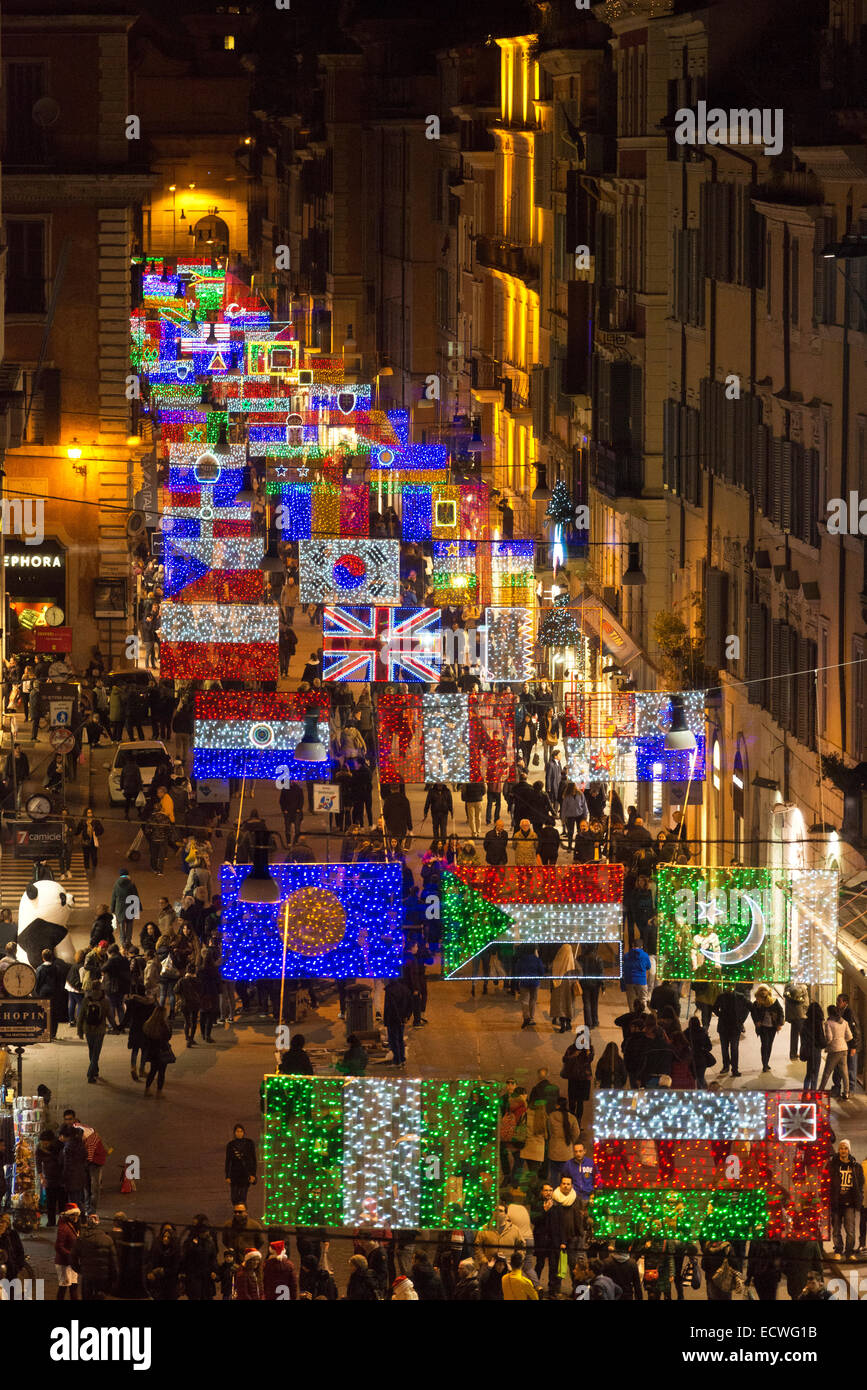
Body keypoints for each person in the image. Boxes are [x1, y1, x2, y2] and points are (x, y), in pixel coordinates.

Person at [830, 1140, 863, 1257]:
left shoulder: (856, 1167)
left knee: (850, 1230)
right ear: (838, 1150)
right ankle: (838, 1250)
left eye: (845, 1148)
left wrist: (859, 1200)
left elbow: (860, 1184)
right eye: (841, 1148)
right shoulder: (833, 1166)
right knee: (836, 1229)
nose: (843, 1151)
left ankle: (849, 1252)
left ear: (849, 1150)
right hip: (836, 1202)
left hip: (850, 1203)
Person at [74, 1213, 119, 1300]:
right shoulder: (107, 1239)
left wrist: (80, 1269)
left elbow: (72, 1258)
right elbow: (113, 1261)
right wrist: (114, 1277)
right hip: (102, 1276)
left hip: (87, 1276)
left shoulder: (81, 1239)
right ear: (98, 1223)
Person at [77, 971, 109, 1083]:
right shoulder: (105, 1001)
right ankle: (90, 1073)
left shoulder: (86, 1000)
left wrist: (79, 1030)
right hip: (100, 1030)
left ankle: (95, 1070)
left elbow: (80, 1016)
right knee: (96, 1052)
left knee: (92, 1050)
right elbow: (109, 1016)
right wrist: (116, 1027)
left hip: (88, 1029)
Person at [712, 987, 751, 1077]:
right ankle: (726, 1066)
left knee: (734, 1048)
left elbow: (749, 1007)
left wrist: (741, 1020)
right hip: (724, 1026)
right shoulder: (721, 996)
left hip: (734, 1027)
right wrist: (721, 1015)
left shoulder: (740, 996)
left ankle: (734, 1069)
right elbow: (714, 1008)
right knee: (725, 1048)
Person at [819, 1005, 853, 1099]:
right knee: (844, 1072)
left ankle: (820, 1091)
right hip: (844, 1048)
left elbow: (829, 1038)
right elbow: (849, 1036)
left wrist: (826, 1044)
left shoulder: (828, 1023)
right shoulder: (844, 1022)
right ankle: (846, 1093)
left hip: (834, 1050)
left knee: (827, 1072)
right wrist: (841, 1040)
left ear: (829, 1012)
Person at [34, 948, 68, 1040]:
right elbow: (60, 982)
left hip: (43, 993)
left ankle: (45, 1033)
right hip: (55, 993)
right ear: (52, 957)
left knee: (44, 1014)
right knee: (54, 1014)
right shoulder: (57, 968)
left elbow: (37, 982)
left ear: (43, 958)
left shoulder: (39, 969)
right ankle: (53, 1034)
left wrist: (37, 992)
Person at [750, 985, 784, 1073]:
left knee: (769, 1045)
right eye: (761, 990)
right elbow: (753, 1013)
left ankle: (766, 1062)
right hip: (763, 1027)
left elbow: (781, 1011)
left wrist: (780, 1023)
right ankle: (764, 1064)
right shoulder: (756, 1003)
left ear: (768, 991)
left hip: (772, 1027)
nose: (763, 992)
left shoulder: (774, 1001)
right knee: (764, 1045)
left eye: (764, 990)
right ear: (758, 992)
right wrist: (757, 1021)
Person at [141, 1002, 173, 1095]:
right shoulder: (164, 1026)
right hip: (162, 1050)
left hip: (152, 1051)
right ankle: (159, 1092)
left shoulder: (148, 1024)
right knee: (162, 1072)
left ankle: (147, 1089)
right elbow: (168, 1037)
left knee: (153, 1071)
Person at [833, 993, 861, 1099]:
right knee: (839, 1068)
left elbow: (856, 1031)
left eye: (839, 1001)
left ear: (845, 1002)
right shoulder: (839, 1012)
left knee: (851, 1068)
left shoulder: (850, 1013)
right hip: (842, 1046)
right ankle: (837, 1087)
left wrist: (854, 1047)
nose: (837, 1003)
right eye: (837, 1000)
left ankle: (851, 1089)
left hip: (851, 1046)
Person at [36, 1130, 64, 1227]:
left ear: (51, 1141)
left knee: (62, 1202)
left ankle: (62, 1221)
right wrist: (42, 1178)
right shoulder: (39, 1149)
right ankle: (51, 1221)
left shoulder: (58, 1147)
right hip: (49, 1178)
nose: (44, 1144)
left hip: (61, 1178)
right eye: (43, 1142)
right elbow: (38, 1163)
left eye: (46, 1142)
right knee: (50, 1202)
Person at [225, 1125, 257, 1207]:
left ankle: (243, 1213)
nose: (239, 1133)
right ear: (234, 1133)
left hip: (246, 1173)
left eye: (241, 1131)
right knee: (234, 1197)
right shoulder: (231, 1145)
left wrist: (253, 1174)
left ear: (244, 1132)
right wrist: (227, 1176)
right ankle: (236, 1213)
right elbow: (228, 1161)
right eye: (237, 1131)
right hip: (234, 1174)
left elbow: (253, 1159)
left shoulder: (249, 1143)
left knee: (242, 1197)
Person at [54, 1203, 81, 1301]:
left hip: (71, 1262)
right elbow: (58, 1246)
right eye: (74, 1215)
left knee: (73, 1286)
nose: (76, 1217)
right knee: (63, 1287)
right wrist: (70, 1255)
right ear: (69, 1215)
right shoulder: (64, 1228)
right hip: (64, 1263)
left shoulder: (72, 1226)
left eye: (77, 1215)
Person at [59, 1127, 88, 1212]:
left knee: (74, 1202)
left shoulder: (68, 1147)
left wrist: (63, 1178)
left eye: (61, 1136)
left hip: (72, 1178)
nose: (60, 1138)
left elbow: (67, 1165)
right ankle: (83, 1219)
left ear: (65, 1136)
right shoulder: (80, 1144)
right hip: (81, 1176)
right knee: (78, 1200)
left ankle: (80, 1219)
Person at [800, 1001, 826, 1092]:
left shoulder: (805, 1022)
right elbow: (821, 1038)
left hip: (808, 1049)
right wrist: (824, 1044)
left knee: (809, 1073)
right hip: (816, 1050)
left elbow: (802, 1035)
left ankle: (805, 1091)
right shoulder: (818, 1023)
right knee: (815, 1074)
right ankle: (813, 1093)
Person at [620, 944, 651, 1011]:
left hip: (629, 981)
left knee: (631, 1003)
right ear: (641, 947)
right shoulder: (645, 955)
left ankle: (632, 1018)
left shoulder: (626, 955)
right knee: (643, 1000)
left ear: (632, 946)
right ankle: (642, 1017)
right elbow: (648, 967)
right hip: (642, 981)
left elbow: (623, 968)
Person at [784, 981, 809, 1062]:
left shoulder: (788, 986)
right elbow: (800, 998)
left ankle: (793, 1054)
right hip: (800, 1013)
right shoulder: (799, 987)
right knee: (803, 1035)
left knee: (794, 1034)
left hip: (793, 1014)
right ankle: (803, 1054)